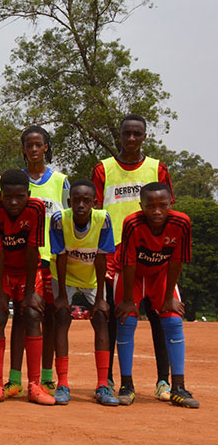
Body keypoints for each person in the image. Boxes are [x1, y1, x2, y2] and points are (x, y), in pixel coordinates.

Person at [92, 114, 174, 399]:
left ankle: (163, 380)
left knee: (160, 317)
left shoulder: (157, 169)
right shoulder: (103, 170)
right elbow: (95, 213)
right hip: (116, 256)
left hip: (154, 254)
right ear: (119, 135)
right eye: (126, 133)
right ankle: (112, 379)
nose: (131, 139)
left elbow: (169, 212)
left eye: (137, 134)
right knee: (117, 320)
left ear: (144, 137)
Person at [114, 182, 198, 408]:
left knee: (173, 321)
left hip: (161, 275)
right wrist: (128, 300)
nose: (157, 211)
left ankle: (178, 387)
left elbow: (176, 261)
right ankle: (126, 385)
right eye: (150, 206)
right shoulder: (132, 223)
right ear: (142, 206)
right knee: (126, 321)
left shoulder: (181, 222)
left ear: (172, 202)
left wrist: (169, 297)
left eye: (162, 205)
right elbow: (129, 264)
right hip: (132, 275)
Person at [5, 126, 70, 398]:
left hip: (51, 259)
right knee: (22, 314)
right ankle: (15, 378)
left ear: (46, 147)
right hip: (21, 258)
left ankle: (46, 377)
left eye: (38, 144)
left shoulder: (60, 180)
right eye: (28, 145)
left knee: (51, 317)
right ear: (23, 149)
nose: (33, 149)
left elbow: (66, 219)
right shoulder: (17, 182)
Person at [0, 169, 53, 405]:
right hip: (1, 270)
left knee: (32, 314)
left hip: (27, 270)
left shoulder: (36, 208)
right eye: (8, 196)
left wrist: (30, 292)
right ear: (0, 194)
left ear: (28, 194)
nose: (13, 202)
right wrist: (0, 296)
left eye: (19, 197)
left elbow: (33, 251)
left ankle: (34, 384)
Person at [49, 180, 117, 405]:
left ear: (94, 203)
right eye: (76, 200)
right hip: (65, 275)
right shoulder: (59, 219)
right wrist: (61, 297)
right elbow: (60, 255)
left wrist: (99, 299)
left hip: (91, 278)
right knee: (61, 317)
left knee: (100, 317)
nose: (81, 205)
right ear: (69, 202)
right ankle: (63, 383)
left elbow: (101, 257)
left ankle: (102, 385)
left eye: (86, 201)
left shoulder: (103, 219)